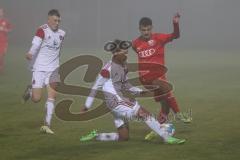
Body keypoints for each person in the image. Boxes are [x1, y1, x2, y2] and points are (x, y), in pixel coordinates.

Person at [80, 39, 185, 144]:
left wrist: (139, 91)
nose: (126, 53)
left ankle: (96, 136)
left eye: (126, 51)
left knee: (123, 137)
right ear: (115, 53)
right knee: (144, 113)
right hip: (115, 101)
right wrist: (87, 105)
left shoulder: (123, 64)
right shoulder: (107, 69)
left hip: (116, 101)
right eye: (124, 51)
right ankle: (166, 138)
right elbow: (95, 87)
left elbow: (125, 83)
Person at [132, 13, 191, 140]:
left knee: (165, 105)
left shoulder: (159, 38)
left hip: (159, 76)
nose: (146, 32)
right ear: (139, 29)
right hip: (147, 78)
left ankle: (157, 128)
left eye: (148, 29)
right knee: (166, 88)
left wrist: (175, 23)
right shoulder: (135, 43)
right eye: (143, 30)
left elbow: (176, 35)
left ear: (152, 28)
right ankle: (179, 114)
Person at [22, 9, 66, 134]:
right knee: (36, 99)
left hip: (53, 70)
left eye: (58, 21)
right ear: (48, 19)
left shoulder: (62, 33)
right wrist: (30, 53)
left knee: (52, 97)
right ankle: (31, 90)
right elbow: (36, 44)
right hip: (39, 69)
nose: (57, 23)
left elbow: (57, 51)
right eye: (54, 20)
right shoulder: (42, 30)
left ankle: (47, 125)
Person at [0, 8, 12, 73]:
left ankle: (1, 67)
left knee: (1, 55)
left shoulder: (6, 21)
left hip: (3, 41)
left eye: (1, 12)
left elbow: (10, 30)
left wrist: (4, 29)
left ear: (3, 13)